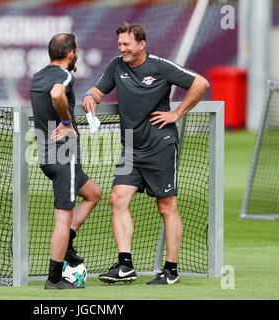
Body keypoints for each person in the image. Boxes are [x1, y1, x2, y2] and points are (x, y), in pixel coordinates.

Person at [81, 23, 209, 285]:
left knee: (166, 208)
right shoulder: (117, 65)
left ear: (141, 44)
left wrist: (176, 113)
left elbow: (201, 83)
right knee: (117, 199)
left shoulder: (160, 66)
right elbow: (98, 89)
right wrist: (90, 96)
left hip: (160, 146)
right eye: (120, 45)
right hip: (131, 148)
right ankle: (126, 266)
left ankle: (171, 270)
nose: (122, 49)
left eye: (127, 44)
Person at [30, 33, 102, 290]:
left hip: (47, 156)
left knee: (93, 193)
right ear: (71, 54)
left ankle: (68, 243)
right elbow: (58, 94)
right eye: (77, 51)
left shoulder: (38, 75)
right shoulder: (65, 76)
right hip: (64, 157)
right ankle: (54, 279)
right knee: (62, 219)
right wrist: (67, 123)